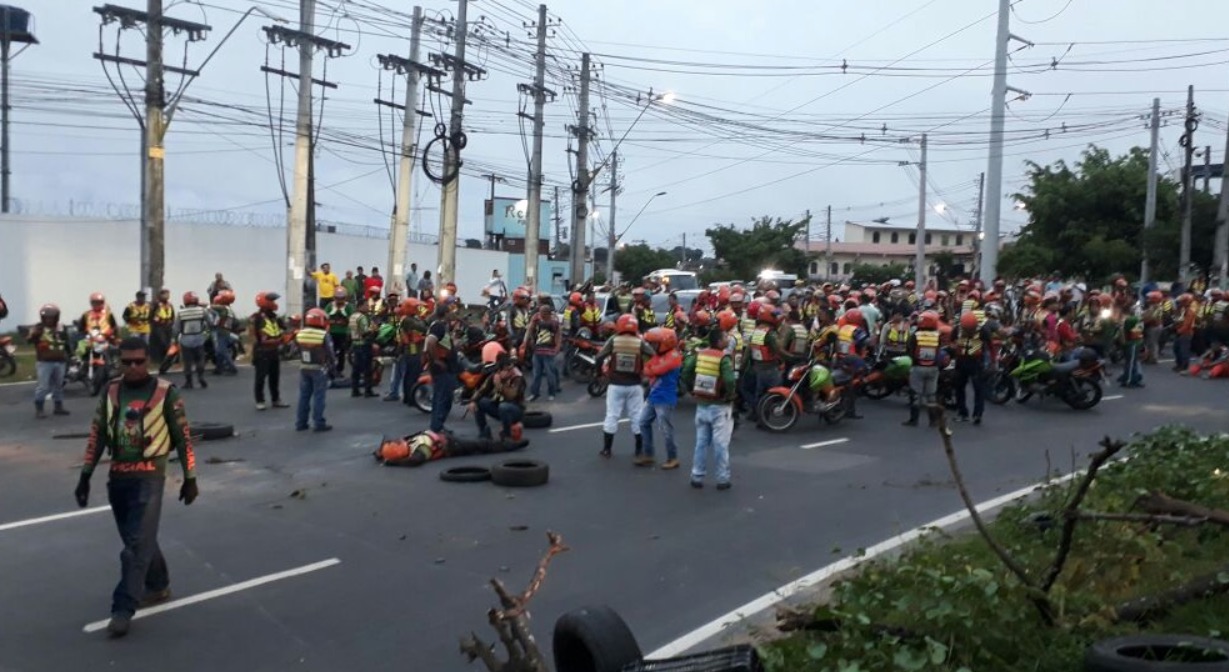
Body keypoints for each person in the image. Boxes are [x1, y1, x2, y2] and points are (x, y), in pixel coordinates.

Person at [74, 337, 197, 639]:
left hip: (150, 476)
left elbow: (182, 437)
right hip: (118, 477)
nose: (133, 367)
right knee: (138, 539)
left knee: (134, 549)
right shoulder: (111, 390)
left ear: (148, 361)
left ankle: (122, 608)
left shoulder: (167, 392)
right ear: (119, 361)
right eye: (126, 362)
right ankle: (158, 585)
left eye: (139, 361)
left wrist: (190, 477)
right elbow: (98, 434)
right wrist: (85, 476)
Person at [681, 327, 737, 490]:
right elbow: (729, 380)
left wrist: (692, 389)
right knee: (720, 444)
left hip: (702, 404)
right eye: (726, 335)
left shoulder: (700, 354)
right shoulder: (723, 358)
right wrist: (730, 395)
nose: (728, 338)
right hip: (719, 407)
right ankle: (722, 479)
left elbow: (686, 372)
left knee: (701, 443)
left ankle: (697, 476)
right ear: (719, 341)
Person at [594, 314, 655, 459]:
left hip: (615, 384)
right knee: (637, 417)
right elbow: (653, 355)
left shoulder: (614, 340)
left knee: (612, 415)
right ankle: (639, 450)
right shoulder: (640, 341)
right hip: (635, 385)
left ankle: (607, 450)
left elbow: (599, 357)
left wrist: (599, 375)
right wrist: (648, 373)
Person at [639, 327, 683, 469]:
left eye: (655, 343)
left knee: (665, 429)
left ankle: (673, 458)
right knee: (643, 422)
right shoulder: (660, 355)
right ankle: (649, 454)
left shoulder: (674, 356)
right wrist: (651, 370)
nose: (652, 346)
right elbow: (647, 368)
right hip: (654, 395)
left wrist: (651, 370)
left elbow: (655, 370)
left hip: (665, 398)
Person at [470, 342, 526, 440]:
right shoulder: (495, 375)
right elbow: (482, 389)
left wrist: (500, 386)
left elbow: (511, 396)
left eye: (508, 369)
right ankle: (484, 432)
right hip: (498, 407)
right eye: (503, 370)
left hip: (514, 409)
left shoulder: (518, 378)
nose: (505, 372)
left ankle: (507, 434)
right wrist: (473, 400)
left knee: (503, 407)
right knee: (480, 402)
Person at [27, 303, 71, 419]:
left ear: (56, 317)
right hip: (44, 362)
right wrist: (35, 335)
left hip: (60, 360)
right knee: (43, 386)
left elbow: (66, 342)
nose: (49, 320)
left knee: (59, 385)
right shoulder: (38, 328)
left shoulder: (61, 328)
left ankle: (58, 406)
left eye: (51, 317)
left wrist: (70, 354)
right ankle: (39, 409)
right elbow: (29, 340)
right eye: (46, 317)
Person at [295, 308, 335, 432]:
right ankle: (318, 423)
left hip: (304, 367)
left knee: (304, 396)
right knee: (319, 396)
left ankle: (301, 423)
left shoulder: (300, 333)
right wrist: (333, 369)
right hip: (319, 368)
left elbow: (295, 350)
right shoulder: (323, 335)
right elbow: (330, 353)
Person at [424, 305, 461, 432]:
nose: (453, 314)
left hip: (447, 368)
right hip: (442, 370)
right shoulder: (438, 326)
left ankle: (438, 426)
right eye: (451, 311)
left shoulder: (444, 326)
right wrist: (437, 361)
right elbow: (430, 342)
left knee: (444, 398)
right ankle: (436, 428)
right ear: (446, 313)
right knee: (442, 398)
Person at [250, 291, 289, 410]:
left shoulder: (274, 317)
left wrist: (287, 335)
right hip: (262, 351)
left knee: (274, 376)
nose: (274, 303)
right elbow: (257, 337)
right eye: (271, 301)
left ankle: (276, 399)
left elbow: (284, 328)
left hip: (274, 350)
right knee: (260, 377)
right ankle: (260, 401)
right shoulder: (256, 318)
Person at [904, 310, 943, 427]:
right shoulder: (937, 336)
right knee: (931, 395)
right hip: (933, 368)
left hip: (918, 367)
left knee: (916, 394)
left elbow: (909, 349)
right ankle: (933, 420)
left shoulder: (916, 335)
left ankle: (914, 420)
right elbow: (939, 351)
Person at [952, 311, 989, 424]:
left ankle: (977, 414)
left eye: (970, 329)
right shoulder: (957, 329)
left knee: (978, 389)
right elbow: (951, 342)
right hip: (961, 362)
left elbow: (989, 344)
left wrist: (991, 362)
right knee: (959, 388)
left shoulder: (982, 330)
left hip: (976, 363)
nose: (968, 331)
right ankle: (963, 412)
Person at [393, 297, 428, 404]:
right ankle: (410, 397)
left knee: (410, 375)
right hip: (413, 349)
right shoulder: (407, 320)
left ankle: (408, 397)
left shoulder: (411, 318)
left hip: (414, 348)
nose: (418, 308)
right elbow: (423, 328)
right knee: (412, 375)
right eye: (415, 307)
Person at [526, 302, 562, 401]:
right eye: (540, 312)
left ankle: (552, 393)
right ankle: (534, 393)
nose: (540, 314)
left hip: (549, 352)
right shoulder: (537, 319)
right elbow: (530, 330)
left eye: (542, 312)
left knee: (550, 374)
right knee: (536, 374)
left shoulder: (554, 322)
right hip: (537, 351)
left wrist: (557, 348)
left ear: (547, 313)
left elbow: (558, 335)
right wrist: (529, 341)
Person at [174, 292, 210, 390]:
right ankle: (201, 377)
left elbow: (176, 329)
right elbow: (210, 323)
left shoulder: (181, 313)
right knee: (200, 359)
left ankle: (189, 382)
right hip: (199, 338)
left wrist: (174, 340)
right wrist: (206, 334)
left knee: (187, 362)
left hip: (186, 339)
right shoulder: (202, 311)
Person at [348, 300, 377, 398]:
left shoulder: (352, 316)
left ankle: (355, 390)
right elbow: (365, 332)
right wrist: (373, 329)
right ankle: (368, 390)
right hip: (364, 344)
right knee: (367, 369)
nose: (368, 308)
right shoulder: (362, 317)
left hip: (355, 344)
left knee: (356, 369)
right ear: (360, 306)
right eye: (366, 306)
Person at [207, 289, 239, 375]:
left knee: (222, 351)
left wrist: (200, 304)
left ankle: (232, 368)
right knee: (218, 351)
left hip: (221, 331)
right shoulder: (229, 309)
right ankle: (218, 369)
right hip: (226, 331)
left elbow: (209, 307)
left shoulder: (222, 308)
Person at [150, 289, 175, 363]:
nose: (167, 296)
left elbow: (172, 315)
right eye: (165, 294)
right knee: (162, 343)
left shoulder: (170, 305)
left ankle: (169, 359)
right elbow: (151, 316)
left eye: (168, 294)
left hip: (168, 326)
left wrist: (171, 322)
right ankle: (161, 360)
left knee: (169, 342)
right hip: (159, 326)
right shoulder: (156, 304)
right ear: (160, 295)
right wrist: (156, 322)